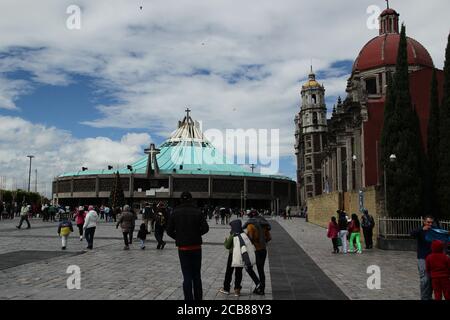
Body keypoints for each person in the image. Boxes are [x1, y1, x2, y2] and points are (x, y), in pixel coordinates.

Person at [166, 191, 209, 300]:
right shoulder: (197, 211)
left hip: (183, 248)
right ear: (191, 199)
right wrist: (196, 234)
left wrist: (179, 237)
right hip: (196, 247)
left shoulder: (175, 212)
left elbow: (169, 230)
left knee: (187, 276)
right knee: (196, 275)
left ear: (181, 200)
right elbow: (205, 228)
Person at [219, 219, 261, 297]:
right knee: (239, 273)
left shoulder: (233, 235)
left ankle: (226, 288)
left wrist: (225, 241)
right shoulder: (244, 234)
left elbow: (227, 246)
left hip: (232, 256)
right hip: (241, 256)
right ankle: (237, 290)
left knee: (229, 272)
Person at [243, 209, 271, 295]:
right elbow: (269, 238)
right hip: (263, 249)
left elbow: (250, 238)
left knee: (248, 267)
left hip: (256, 250)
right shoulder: (264, 224)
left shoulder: (250, 226)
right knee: (261, 270)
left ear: (250, 216)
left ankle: (259, 286)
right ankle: (260, 287)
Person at [410, 215, 434, 300]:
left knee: (431, 279)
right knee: (424, 279)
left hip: (432, 259)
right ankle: (424, 298)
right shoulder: (420, 229)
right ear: (424, 222)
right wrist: (421, 229)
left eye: (431, 222)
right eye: (428, 222)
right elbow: (411, 234)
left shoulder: (433, 230)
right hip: (422, 258)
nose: (430, 224)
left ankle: (429, 297)